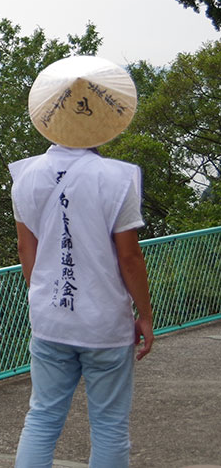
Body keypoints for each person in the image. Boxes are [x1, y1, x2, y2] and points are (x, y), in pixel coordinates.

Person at [10, 55, 154, 468]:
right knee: (109, 424)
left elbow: (26, 250)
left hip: (50, 321)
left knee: (42, 418)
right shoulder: (117, 178)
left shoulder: (26, 177)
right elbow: (129, 257)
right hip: (105, 324)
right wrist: (143, 314)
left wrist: (42, 297)